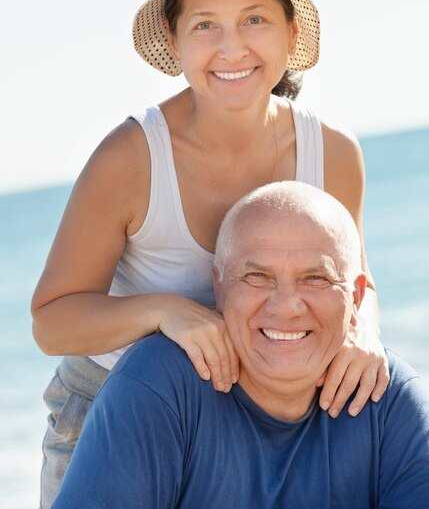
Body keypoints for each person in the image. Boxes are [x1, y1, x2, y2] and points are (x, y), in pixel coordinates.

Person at [32, 0, 389, 507]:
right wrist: (163, 311)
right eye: (205, 26)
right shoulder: (130, 158)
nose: (232, 49)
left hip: (247, 419)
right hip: (108, 413)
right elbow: (51, 322)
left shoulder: (334, 154)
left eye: (255, 19)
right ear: (174, 43)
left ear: (290, 30)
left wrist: (364, 332)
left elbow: (355, 282)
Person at [51, 182, 429, 509]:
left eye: (315, 278)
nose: (286, 306)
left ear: (356, 297)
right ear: (218, 286)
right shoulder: (158, 388)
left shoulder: (388, 399)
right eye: (256, 277)